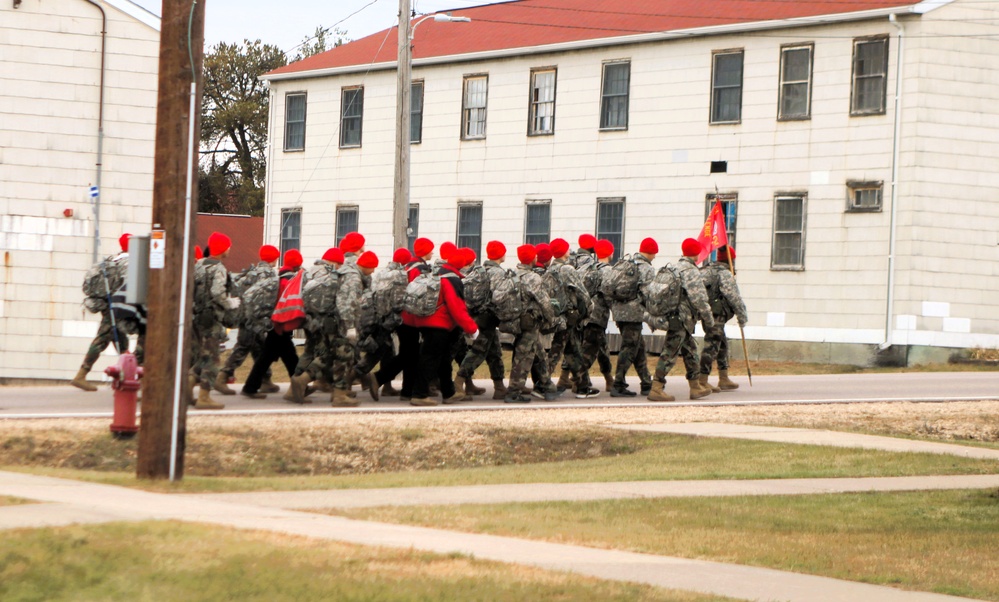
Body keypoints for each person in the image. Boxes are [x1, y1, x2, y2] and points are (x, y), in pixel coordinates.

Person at [648, 238, 715, 401]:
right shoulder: (691, 271)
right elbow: (699, 298)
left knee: (691, 351)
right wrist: (709, 319)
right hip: (681, 319)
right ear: (697, 253)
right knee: (669, 353)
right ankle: (656, 387)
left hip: (678, 318)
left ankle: (695, 386)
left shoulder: (675, 267)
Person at [409, 248, 479, 406]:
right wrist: (472, 329)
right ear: (462, 264)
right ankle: (419, 395)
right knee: (430, 360)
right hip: (438, 325)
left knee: (443, 360)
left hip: (427, 321)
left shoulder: (438, 274)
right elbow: (457, 308)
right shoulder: (452, 279)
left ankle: (449, 393)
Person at [72, 233, 132, 391]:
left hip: (107, 305)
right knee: (102, 340)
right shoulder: (129, 263)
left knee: (120, 340)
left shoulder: (113, 260)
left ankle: (128, 375)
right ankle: (81, 375)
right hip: (118, 307)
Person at [218, 244, 281, 395]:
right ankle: (222, 376)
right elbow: (266, 299)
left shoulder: (250, 271)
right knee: (243, 346)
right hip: (254, 317)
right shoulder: (269, 275)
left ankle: (265, 379)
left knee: (260, 348)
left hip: (243, 314)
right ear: (274, 260)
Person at [241, 249, 303, 398]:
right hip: (280, 325)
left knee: (276, 356)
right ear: (297, 264)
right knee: (286, 357)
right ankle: (300, 386)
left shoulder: (279, 276)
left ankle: (251, 387)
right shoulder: (288, 280)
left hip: (274, 324)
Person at [353, 247, 411, 400]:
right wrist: (397, 318)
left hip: (376, 317)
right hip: (388, 320)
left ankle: (386, 385)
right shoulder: (400, 275)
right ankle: (348, 380)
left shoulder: (381, 273)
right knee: (377, 351)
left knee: (388, 350)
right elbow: (398, 302)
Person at [454, 240, 509, 400]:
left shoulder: (482, 270)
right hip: (489, 317)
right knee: (478, 352)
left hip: (480, 316)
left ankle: (499, 387)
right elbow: (499, 296)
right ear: (501, 254)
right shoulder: (497, 273)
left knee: (494, 353)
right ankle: (458, 382)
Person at [190, 232, 239, 409]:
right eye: (228, 246)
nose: (229, 249)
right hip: (211, 318)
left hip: (196, 316)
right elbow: (218, 292)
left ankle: (188, 390)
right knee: (212, 360)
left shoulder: (199, 265)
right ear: (222, 249)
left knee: (201, 356)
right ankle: (204, 397)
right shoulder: (219, 268)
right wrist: (231, 302)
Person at [503, 244, 554, 403]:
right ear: (532, 258)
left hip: (515, 321)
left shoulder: (511, 275)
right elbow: (544, 301)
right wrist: (551, 318)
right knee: (523, 357)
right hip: (529, 321)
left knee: (537, 352)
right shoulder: (533, 277)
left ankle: (546, 384)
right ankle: (514, 391)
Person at [548, 237, 598, 398]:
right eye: (567, 249)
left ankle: (582, 385)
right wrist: (589, 307)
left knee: (573, 351)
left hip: (559, 314)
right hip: (570, 315)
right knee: (557, 351)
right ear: (563, 252)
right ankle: (543, 382)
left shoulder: (551, 269)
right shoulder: (567, 269)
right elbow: (581, 289)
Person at [609, 237, 657, 397]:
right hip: (634, 313)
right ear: (650, 252)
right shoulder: (646, 268)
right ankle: (618, 384)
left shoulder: (626, 264)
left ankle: (646, 383)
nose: (655, 256)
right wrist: (653, 314)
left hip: (618, 311)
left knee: (638, 347)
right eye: (654, 253)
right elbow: (648, 293)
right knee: (629, 348)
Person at [330, 250, 377, 406]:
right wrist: (350, 326)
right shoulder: (354, 279)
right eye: (373, 268)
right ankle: (339, 396)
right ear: (366, 266)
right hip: (344, 323)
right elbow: (348, 303)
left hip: (335, 320)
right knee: (343, 358)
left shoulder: (344, 272)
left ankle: (341, 391)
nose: (374, 271)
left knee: (342, 358)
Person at [698, 245, 748, 392]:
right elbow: (734, 297)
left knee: (722, 344)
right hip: (717, 315)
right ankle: (703, 379)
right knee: (712, 346)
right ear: (730, 259)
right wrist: (742, 317)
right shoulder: (724, 274)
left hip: (706, 314)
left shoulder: (706, 271)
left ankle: (724, 377)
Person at [577, 239, 615, 393]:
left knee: (601, 348)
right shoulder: (607, 271)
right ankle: (578, 380)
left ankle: (609, 379)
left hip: (585, 313)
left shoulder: (588, 268)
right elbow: (609, 294)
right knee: (589, 350)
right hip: (598, 316)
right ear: (610, 253)